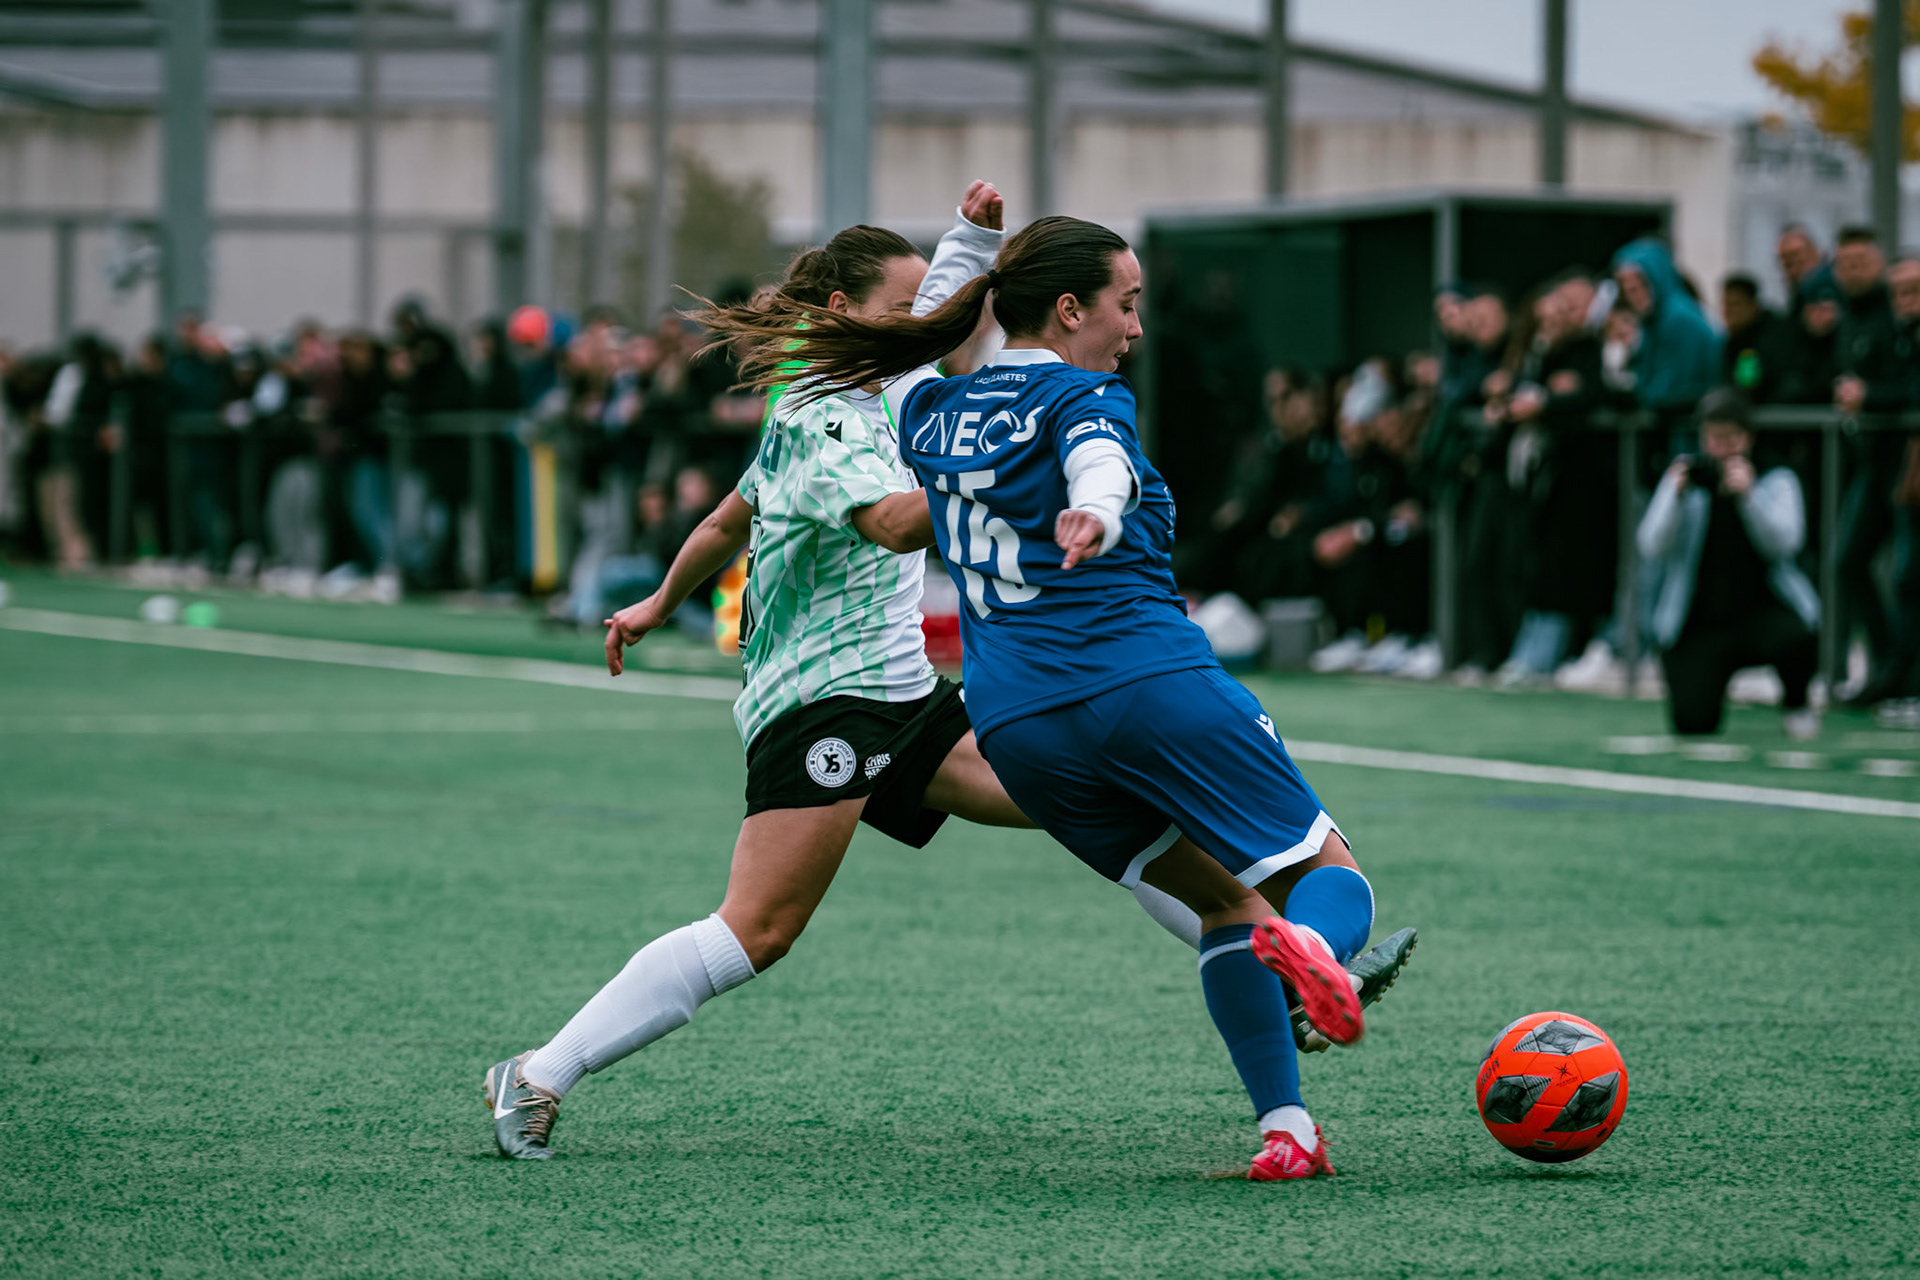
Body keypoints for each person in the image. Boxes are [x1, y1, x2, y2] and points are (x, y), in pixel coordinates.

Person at [777, 214, 1392, 1181]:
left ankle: (1290, 1133)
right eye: (1126, 303)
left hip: (1017, 722)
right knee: (1330, 874)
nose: (1136, 326)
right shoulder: (1085, 395)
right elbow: (1099, 461)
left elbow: (903, 368)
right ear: (1070, 309)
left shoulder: (934, 411)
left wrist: (965, 253)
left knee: (1227, 907)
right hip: (1142, 682)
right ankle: (1313, 954)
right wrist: (1098, 511)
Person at [1637, 390, 1820, 738]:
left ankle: (1797, 701)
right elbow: (1650, 545)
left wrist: (1750, 497)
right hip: (1699, 621)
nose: (1720, 448)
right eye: (1713, 437)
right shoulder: (1687, 477)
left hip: (1762, 611)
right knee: (1692, 722)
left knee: (1798, 638)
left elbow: (1786, 544)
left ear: (1747, 437)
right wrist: (1673, 498)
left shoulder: (1775, 477)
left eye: (1729, 438)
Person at [1721, 273, 1797, 404]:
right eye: (1726, 306)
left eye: (1736, 305)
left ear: (1754, 305)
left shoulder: (1775, 337)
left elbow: (1750, 383)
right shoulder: (1734, 342)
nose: (1729, 312)